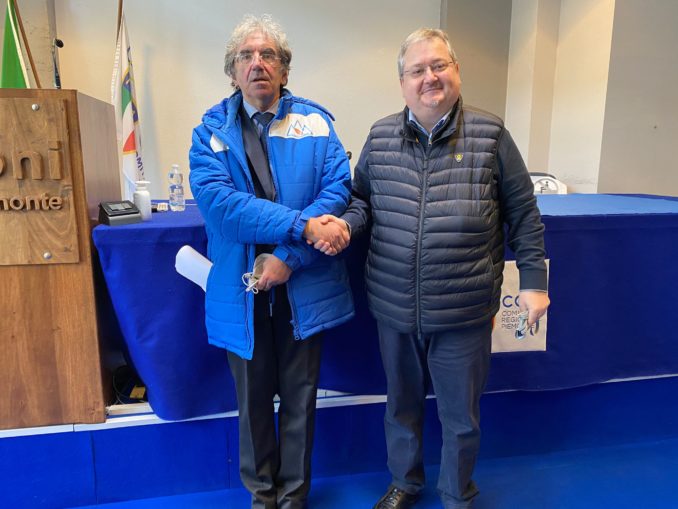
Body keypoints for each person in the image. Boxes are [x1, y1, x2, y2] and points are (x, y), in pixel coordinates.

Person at [316, 28, 550, 509]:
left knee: (460, 418)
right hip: (395, 307)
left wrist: (533, 282)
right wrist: (343, 225)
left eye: (439, 65)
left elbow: (524, 214)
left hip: (464, 310)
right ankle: (405, 483)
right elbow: (362, 202)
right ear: (402, 82)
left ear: (457, 71)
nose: (430, 77)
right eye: (418, 70)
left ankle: (456, 495)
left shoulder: (491, 135)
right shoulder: (381, 136)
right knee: (401, 407)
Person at [189, 14, 353, 509]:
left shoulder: (317, 123)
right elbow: (223, 209)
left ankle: (294, 497)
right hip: (242, 292)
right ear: (232, 71)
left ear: (284, 69)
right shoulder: (209, 133)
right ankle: (262, 497)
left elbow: (337, 192)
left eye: (269, 55)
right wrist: (302, 227)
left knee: (301, 400)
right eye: (246, 56)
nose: (257, 63)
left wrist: (287, 257)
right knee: (253, 403)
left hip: (304, 285)